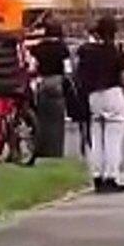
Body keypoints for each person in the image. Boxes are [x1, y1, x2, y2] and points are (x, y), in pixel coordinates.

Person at [77, 15, 124, 193]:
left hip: (93, 96)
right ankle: (111, 176)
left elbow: (79, 75)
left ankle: (97, 175)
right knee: (113, 138)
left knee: (96, 137)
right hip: (113, 93)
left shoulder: (85, 51)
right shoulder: (116, 52)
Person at [29, 19, 72, 158]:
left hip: (41, 82)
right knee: (57, 119)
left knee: (41, 118)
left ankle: (42, 149)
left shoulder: (38, 48)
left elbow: (32, 66)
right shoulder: (62, 48)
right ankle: (55, 150)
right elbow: (67, 69)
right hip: (56, 82)